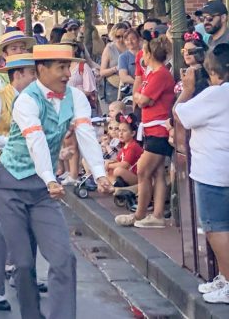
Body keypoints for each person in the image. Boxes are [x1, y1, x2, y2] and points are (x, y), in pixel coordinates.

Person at [0, 44, 112, 319]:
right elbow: (36, 141)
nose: (67, 74)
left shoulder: (76, 97)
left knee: (63, 259)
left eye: (68, 67)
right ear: (41, 69)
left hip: (44, 192)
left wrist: (99, 172)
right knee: (22, 264)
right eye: (61, 67)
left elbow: (85, 134)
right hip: (10, 185)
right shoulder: (26, 100)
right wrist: (49, 177)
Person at [0, 54, 38, 312]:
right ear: (18, 75)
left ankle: (23, 277)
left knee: (30, 230)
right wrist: (17, 142)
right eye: (32, 74)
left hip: (22, 173)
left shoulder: (36, 102)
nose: (36, 78)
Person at [173, 42, 229, 304]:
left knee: (215, 228)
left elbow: (181, 114)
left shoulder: (216, 94)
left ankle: (228, 282)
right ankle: (223, 276)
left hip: (213, 171)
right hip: (220, 167)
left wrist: (187, 90)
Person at [116, 36, 174, 229]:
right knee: (156, 173)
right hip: (150, 128)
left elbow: (143, 99)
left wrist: (140, 96)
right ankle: (156, 214)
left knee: (142, 170)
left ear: (149, 54)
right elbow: (140, 95)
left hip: (159, 130)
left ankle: (140, 214)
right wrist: (140, 96)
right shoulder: (152, 74)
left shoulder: (160, 75)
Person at [98, 23, 128, 105]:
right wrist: (116, 68)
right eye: (118, 36)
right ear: (113, 36)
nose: (121, 39)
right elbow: (102, 72)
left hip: (130, 86)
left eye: (124, 36)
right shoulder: (109, 48)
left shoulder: (131, 46)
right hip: (113, 87)